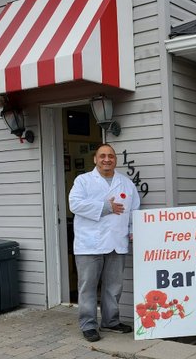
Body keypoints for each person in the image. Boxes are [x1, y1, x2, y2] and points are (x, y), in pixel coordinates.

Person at [69, 144, 140, 342]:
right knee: (88, 287)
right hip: (89, 243)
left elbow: (134, 210)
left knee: (114, 286)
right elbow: (74, 204)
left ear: (115, 160)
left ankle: (110, 321)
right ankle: (88, 324)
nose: (106, 159)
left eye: (110, 156)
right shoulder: (83, 181)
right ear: (95, 159)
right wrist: (106, 207)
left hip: (117, 242)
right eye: (102, 156)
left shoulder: (126, 183)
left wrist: (133, 231)